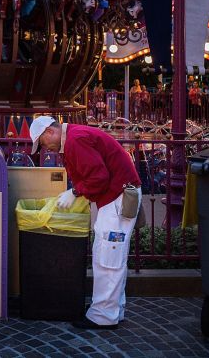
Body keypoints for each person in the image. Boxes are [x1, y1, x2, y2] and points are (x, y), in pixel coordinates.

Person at [30, 116, 141, 330]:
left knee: (107, 256)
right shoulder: (75, 136)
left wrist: (75, 192)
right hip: (117, 197)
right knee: (112, 255)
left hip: (116, 199)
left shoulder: (74, 140)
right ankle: (112, 309)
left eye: (43, 143)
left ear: (49, 132)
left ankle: (103, 316)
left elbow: (98, 177)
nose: (47, 149)